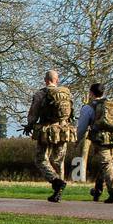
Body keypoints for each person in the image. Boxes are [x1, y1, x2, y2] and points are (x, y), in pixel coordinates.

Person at [26, 69, 77, 202]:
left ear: (45, 80)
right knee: (58, 161)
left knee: (41, 159)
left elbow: (33, 113)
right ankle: (58, 192)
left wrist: (30, 124)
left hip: (47, 131)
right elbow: (72, 114)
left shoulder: (41, 93)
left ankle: (56, 182)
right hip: (63, 130)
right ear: (57, 80)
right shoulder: (67, 93)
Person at [77, 82, 113, 203]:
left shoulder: (89, 107)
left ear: (91, 93)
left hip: (101, 139)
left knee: (106, 165)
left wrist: (77, 139)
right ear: (103, 92)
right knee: (106, 165)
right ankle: (97, 190)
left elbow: (82, 127)